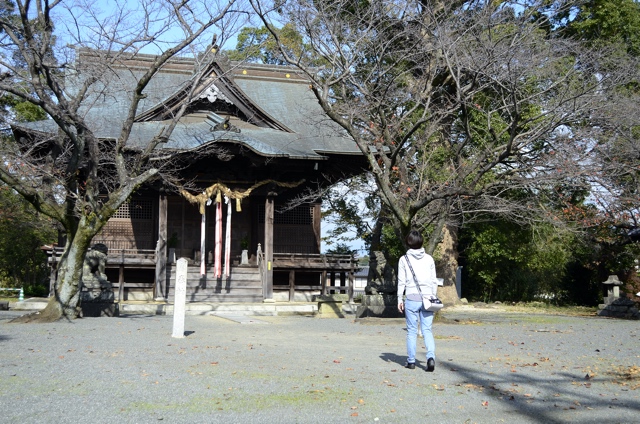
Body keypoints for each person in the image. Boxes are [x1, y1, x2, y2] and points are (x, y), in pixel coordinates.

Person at [397, 230, 438, 372]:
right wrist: (433, 297)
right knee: (427, 330)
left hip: (411, 298)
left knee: (412, 331)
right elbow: (434, 281)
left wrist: (399, 299)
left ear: (408, 242)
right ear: (421, 242)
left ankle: (411, 361)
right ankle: (430, 358)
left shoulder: (404, 259)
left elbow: (401, 282)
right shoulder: (429, 259)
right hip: (428, 298)